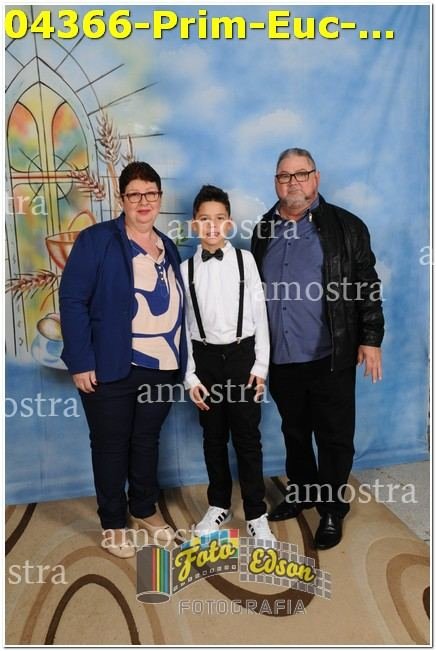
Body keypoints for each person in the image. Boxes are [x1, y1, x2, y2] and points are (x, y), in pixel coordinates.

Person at [251, 148, 384, 550]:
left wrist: (370, 338)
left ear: (316, 178)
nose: (293, 182)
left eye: (301, 174)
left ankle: (332, 508)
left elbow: (367, 285)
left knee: (334, 436)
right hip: (281, 356)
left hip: (330, 354)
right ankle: (304, 491)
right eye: (284, 175)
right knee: (294, 431)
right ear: (276, 182)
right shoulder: (263, 229)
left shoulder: (346, 227)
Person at [59, 161, 187, 558]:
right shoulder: (97, 240)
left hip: (162, 367)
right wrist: (81, 361)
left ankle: (144, 509)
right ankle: (113, 522)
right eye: (135, 194)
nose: (143, 201)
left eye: (150, 194)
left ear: (160, 198)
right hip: (111, 365)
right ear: (122, 199)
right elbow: (72, 299)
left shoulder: (168, 246)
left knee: (146, 441)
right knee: (111, 445)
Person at [181, 185, 276, 541]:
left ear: (230, 224)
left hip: (242, 356)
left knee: (248, 438)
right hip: (205, 359)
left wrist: (260, 367)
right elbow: (182, 329)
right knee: (213, 437)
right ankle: (218, 504)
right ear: (194, 224)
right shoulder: (184, 269)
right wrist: (190, 377)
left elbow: (260, 315)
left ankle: (256, 512)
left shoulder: (245, 261)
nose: (212, 226)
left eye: (219, 219)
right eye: (204, 219)